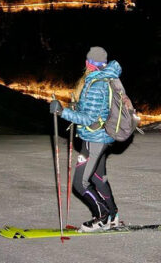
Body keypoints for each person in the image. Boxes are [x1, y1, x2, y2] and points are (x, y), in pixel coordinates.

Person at [49, 46, 122, 232]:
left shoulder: (96, 85)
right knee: (98, 178)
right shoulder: (104, 79)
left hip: (94, 140)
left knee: (80, 183)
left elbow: (89, 119)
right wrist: (76, 108)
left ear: (88, 64)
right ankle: (112, 215)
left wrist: (62, 111)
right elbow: (93, 112)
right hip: (101, 138)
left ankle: (103, 217)